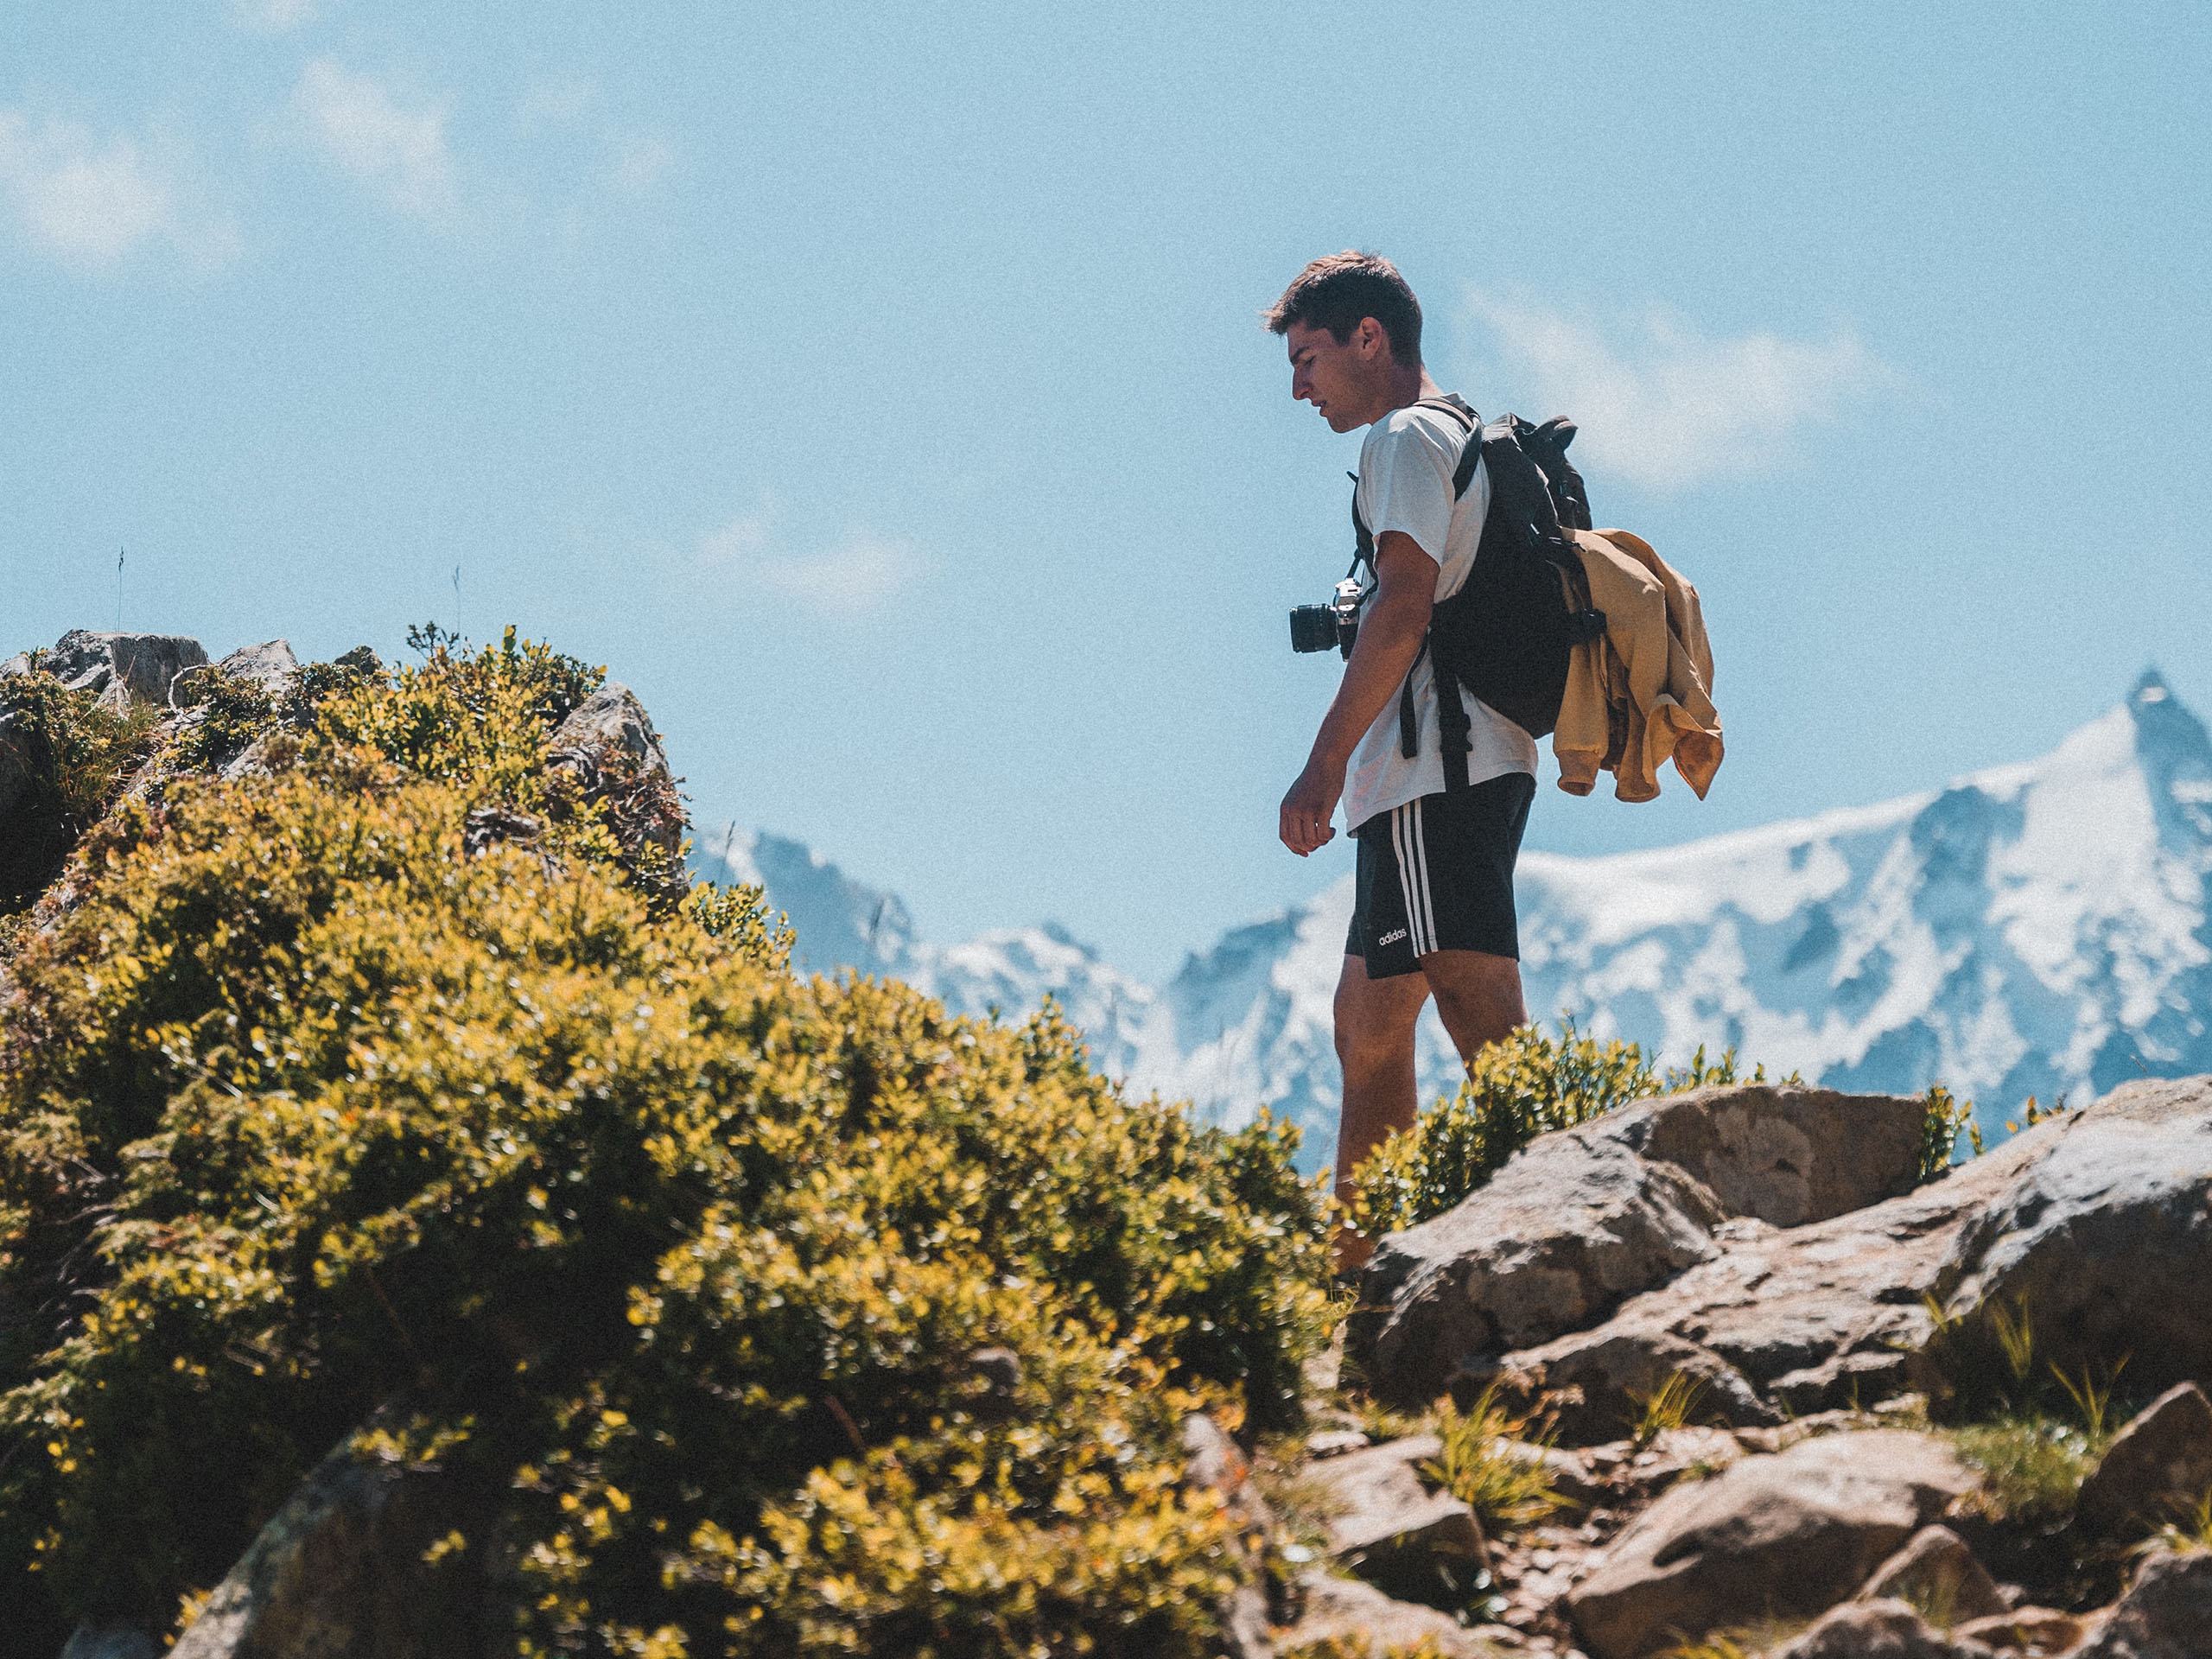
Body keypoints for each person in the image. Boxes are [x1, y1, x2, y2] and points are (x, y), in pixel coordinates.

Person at [1264, 251, 1537, 1273]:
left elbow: (1403, 606)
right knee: (1368, 1027)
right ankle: (1361, 1273)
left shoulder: (1404, 439)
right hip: (1440, 771)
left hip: (1437, 769)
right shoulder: (1450, 432)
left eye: (1308, 359)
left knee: (1483, 1020)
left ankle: (1574, 1238)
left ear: (1367, 339)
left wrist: (1320, 765)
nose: (1299, 388)